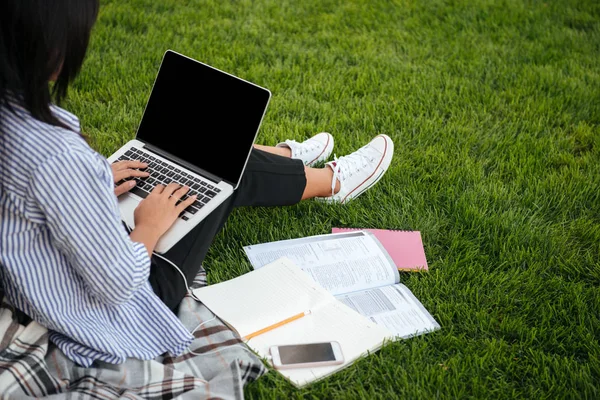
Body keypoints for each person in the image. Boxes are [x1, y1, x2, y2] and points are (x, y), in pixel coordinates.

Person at [0, 0, 394, 367]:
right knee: (218, 173)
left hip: (52, 285)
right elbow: (118, 282)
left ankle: (284, 159)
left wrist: (91, 185)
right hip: (128, 305)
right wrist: (149, 226)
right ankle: (329, 182)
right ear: (50, 51)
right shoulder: (59, 159)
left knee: (202, 161)